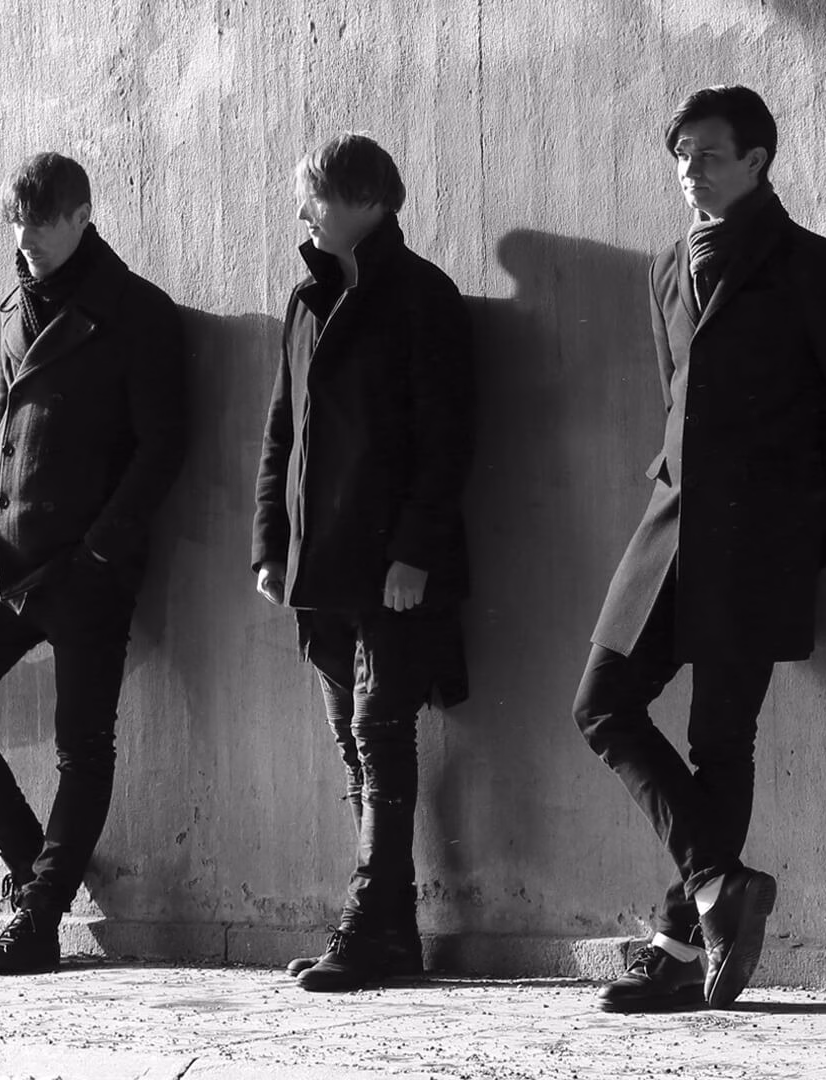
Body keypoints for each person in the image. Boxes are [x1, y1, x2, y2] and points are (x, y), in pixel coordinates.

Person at [574, 86, 826, 1011]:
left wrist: (803, 516)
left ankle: (680, 946)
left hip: (758, 537)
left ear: (758, 160)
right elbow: (675, 394)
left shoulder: (809, 266)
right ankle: (719, 884)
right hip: (669, 531)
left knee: (721, 736)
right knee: (601, 704)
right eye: (680, 155)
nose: (689, 170)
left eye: (708, 154)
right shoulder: (667, 267)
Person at [0, 152, 186, 976]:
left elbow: (163, 448)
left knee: (82, 747)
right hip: (2, 561)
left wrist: (98, 553)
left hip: (84, 571)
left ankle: (39, 919)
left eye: (36, 223)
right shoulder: (14, 308)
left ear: (80, 216)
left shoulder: (138, 313)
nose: (21, 239)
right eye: (13, 224)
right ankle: (36, 869)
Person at [252, 133, 474, 993]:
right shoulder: (307, 300)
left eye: (313, 196)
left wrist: (415, 552)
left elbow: (446, 441)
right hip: (322, 570)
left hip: (391, 569)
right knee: (356, 747)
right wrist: (271, 545)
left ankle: (370, 928)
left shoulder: (422, 298)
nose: (301, 212)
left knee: (381, 739)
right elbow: (282, 435)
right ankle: (388, 933)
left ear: (365, 200)